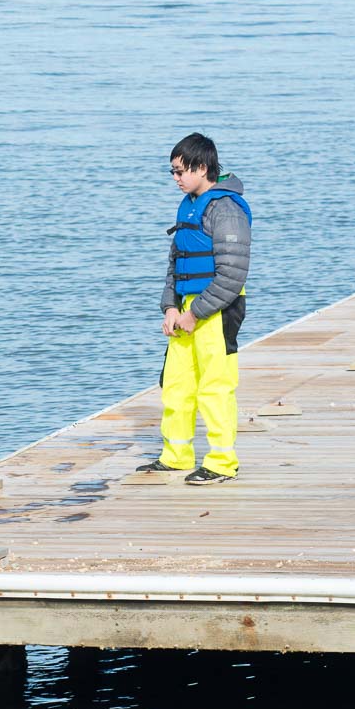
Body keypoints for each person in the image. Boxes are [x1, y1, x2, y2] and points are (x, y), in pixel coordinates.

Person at [138, 132, 252, 484]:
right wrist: (170, 307)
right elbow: (176, 262)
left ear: (202, 168)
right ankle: (176, 454)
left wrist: (195, 312)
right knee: (176, 384)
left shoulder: (226, 209)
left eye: (180, 171)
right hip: (186, 309)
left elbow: (232, 275)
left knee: (215, 386)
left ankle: (222, 462)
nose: (176, 179)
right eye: (172, 172)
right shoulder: (189, 205)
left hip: (218, 310)